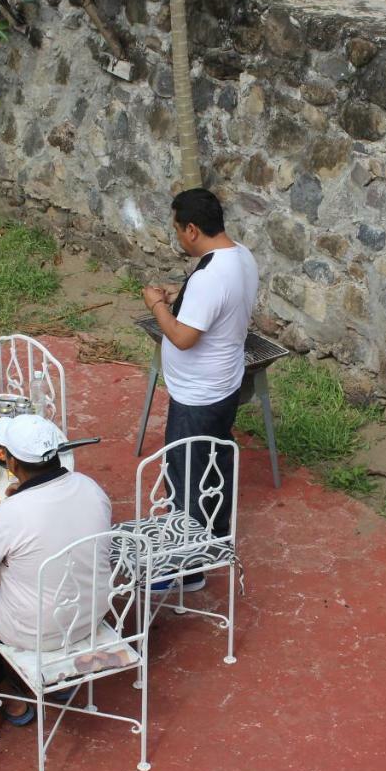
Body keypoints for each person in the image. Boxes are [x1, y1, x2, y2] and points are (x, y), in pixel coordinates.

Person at [0, 414, 112, 727]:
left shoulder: (13, 512)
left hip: (37, 629)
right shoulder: (90, 487)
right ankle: (64, 683)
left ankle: (8, 694)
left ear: (12, 464)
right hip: (91, 614)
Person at [141, 187, 257, 591]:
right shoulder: (240, 256)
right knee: (213, 467)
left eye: (177, 230)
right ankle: (212, 537)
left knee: (185, 477)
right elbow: (213, 307)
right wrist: (181, 298)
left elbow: (184, 338)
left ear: (192, 229)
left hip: (198, 394)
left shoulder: (211, 277)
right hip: (224, 384)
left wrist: (156, 305)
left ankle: (185, 569)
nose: (177, 237)